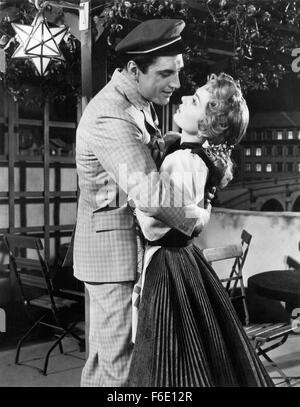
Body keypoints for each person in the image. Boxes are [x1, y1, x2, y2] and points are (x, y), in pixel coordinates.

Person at [73, 19, 214, 387]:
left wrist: (173, 143)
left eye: (179, 72)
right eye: (166, 73)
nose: (177, 84)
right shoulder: (111, 113)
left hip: (123, 250)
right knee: (121, 368)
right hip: (113, 257)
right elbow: (149, 191)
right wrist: (197, 218)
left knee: (107, 361)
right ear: (135, 70)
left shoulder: (136, 100)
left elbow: (137, 154)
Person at [127, 73, 274, 387]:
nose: (183, 99)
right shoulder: (197, 158)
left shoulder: (181, 160)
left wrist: (137, 203)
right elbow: (191, 216)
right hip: (183, 260)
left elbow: (157, 224)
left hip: (166, 264)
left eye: (194, 101)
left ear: (210, 124)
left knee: (163, 357)